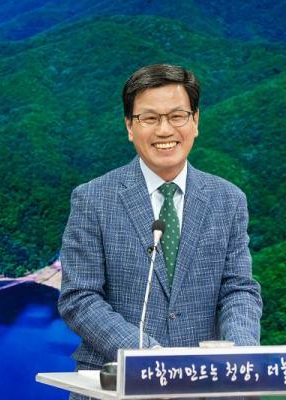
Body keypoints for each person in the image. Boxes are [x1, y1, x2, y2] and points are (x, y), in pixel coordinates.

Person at [58, 64, 263, 375]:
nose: (165, 130)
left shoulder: (228, 200)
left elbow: (239, 290)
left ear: (195, 121)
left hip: (206, 381)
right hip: (117, 380)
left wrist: (239, 354)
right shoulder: (93, 199)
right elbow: (79, 298)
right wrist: (147, 355)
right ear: (130, 126)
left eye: (177, 116)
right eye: (150, 118)